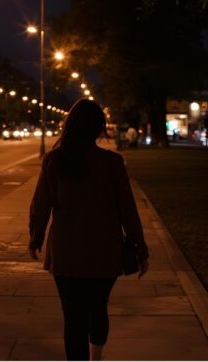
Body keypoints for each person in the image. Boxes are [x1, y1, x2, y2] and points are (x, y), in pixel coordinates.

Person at [29, 99, 150, 361]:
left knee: (73, 318)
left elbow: (41, 205)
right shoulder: (113, 163)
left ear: (69, 126)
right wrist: (140, 246)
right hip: (105, 252)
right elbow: (128, 210)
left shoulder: (54, 161)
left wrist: (35, 238)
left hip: (66, 253)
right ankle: (97, 358)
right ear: (99, 129)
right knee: (98, 308)